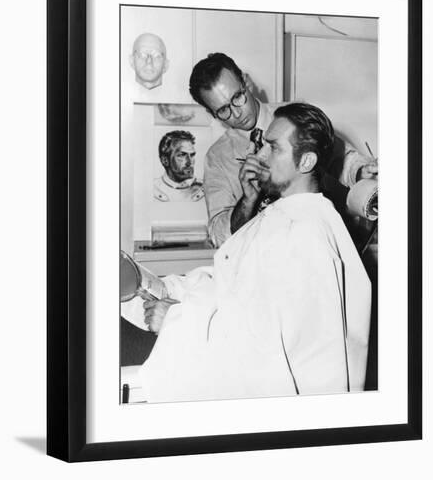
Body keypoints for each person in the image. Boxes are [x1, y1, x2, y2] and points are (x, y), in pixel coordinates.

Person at [138, 103, 371, 403]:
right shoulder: (283, 213)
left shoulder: (307, 234)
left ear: (306, 161)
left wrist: (177, 319)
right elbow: (233, 281)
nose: (258, 156)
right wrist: (165, 288)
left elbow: (263, 350)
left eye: (273, 148)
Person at [189, 52, 378, 247]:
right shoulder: (217, 158)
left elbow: (342, 158)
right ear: (211, 113)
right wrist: (247, 201)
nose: (236, 113)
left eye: (237, 97)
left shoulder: (293, 117)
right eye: (223, 110)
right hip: (260, 257)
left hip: (314, 243)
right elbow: (219, 235)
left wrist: (360, 172)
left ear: (246, 82)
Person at [154, 130, 204, 202]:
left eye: (192, 155)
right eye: (182, 155)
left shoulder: (205, 188)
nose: (189, 162)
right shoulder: (153, 189)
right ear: (165, 160)